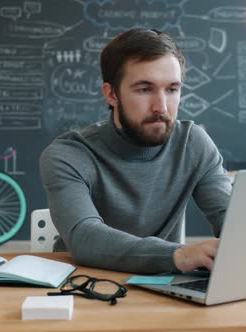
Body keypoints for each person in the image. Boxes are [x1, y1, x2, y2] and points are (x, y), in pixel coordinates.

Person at [39, 27, 232, 274]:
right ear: (111, 94)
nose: (161, 106)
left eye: (172, 89)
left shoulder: (193, 144)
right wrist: (177, 255)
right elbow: (84, 237)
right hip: (83, 285)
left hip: (159, 288)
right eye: (144, 89)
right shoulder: (68, 155)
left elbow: (232, 221)